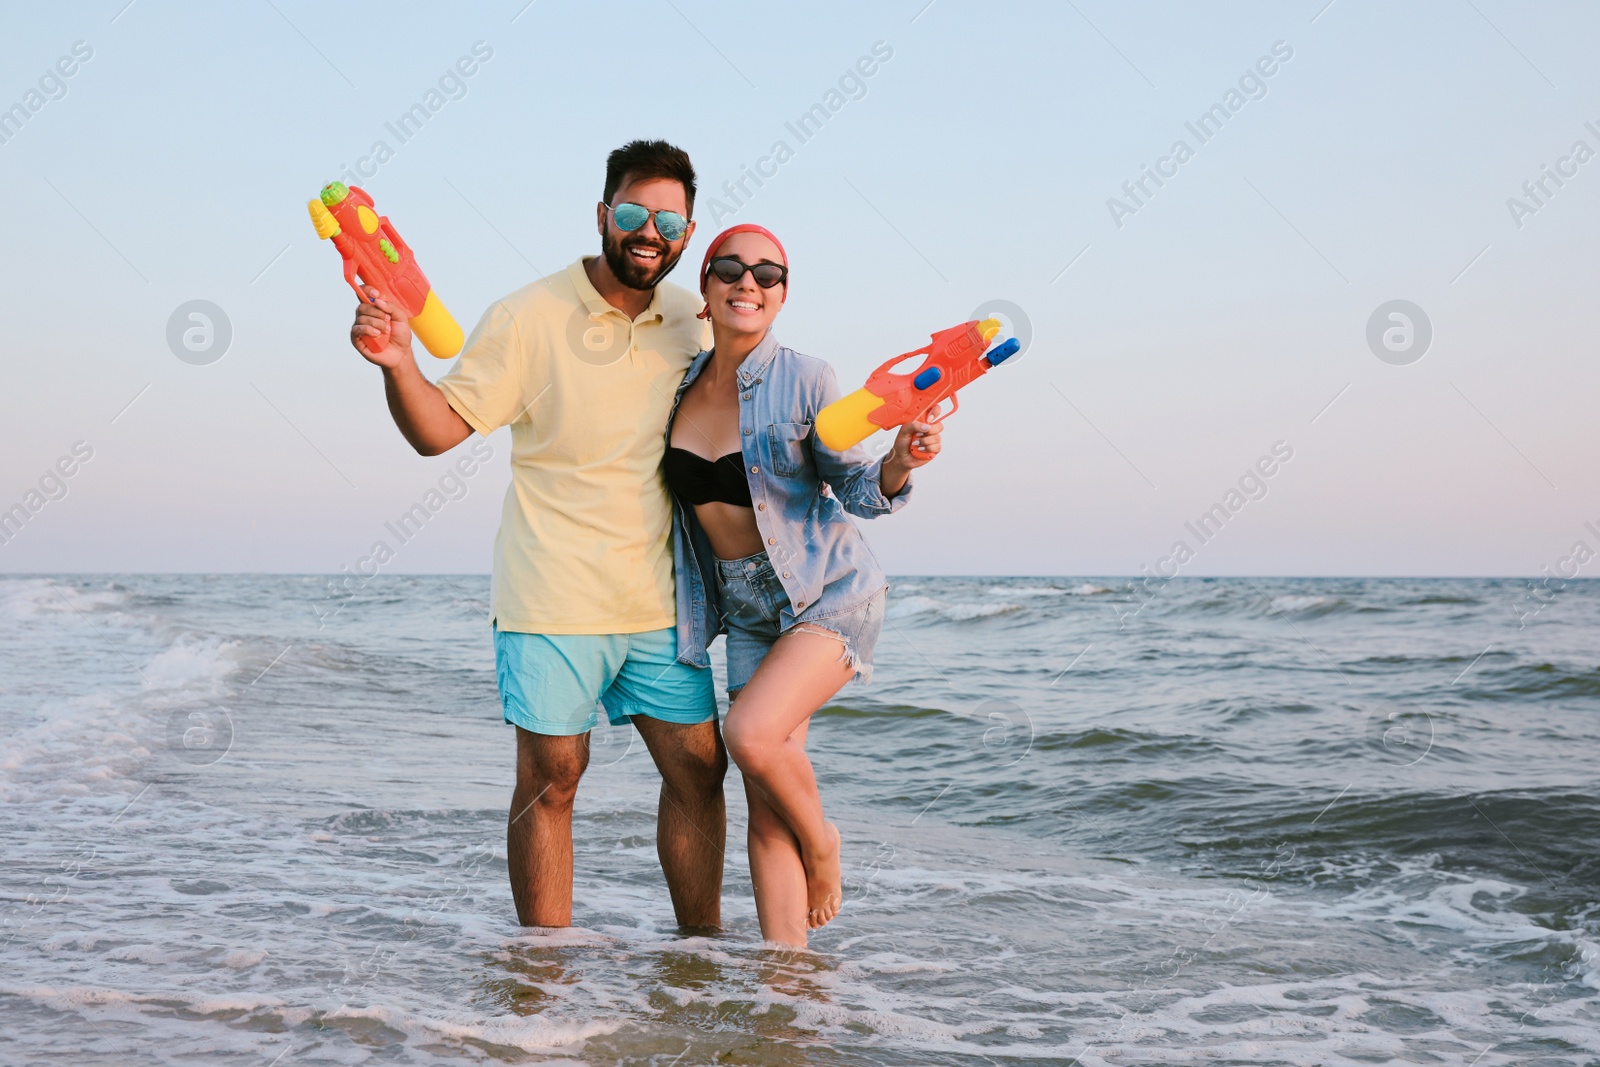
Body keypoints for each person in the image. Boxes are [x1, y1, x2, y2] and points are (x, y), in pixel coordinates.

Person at [347, 140, 728, 931]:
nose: (648, 231)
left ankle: (704, 959)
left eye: (668, 219)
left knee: (699, 771)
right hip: (550, 590)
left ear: (688, 233)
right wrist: (397, 363)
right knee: (554, 776)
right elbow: (439, 430)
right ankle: (544, 982)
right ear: (602, 215)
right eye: (632, 213)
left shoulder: (695, 319)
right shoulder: (526, 316)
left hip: (659, 598)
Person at [665, 224, 944, 947]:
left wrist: (899, 461)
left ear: (783, 293)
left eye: (767, 272)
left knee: (749, 734)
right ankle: (787, 980)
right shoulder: (679, 388)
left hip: (826, 592)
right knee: (763, 802)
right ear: (705, 286)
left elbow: (855, 485)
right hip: (745, 608)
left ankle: (824, 845)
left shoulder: (806, 378)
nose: (747, 281)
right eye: (729, 267)